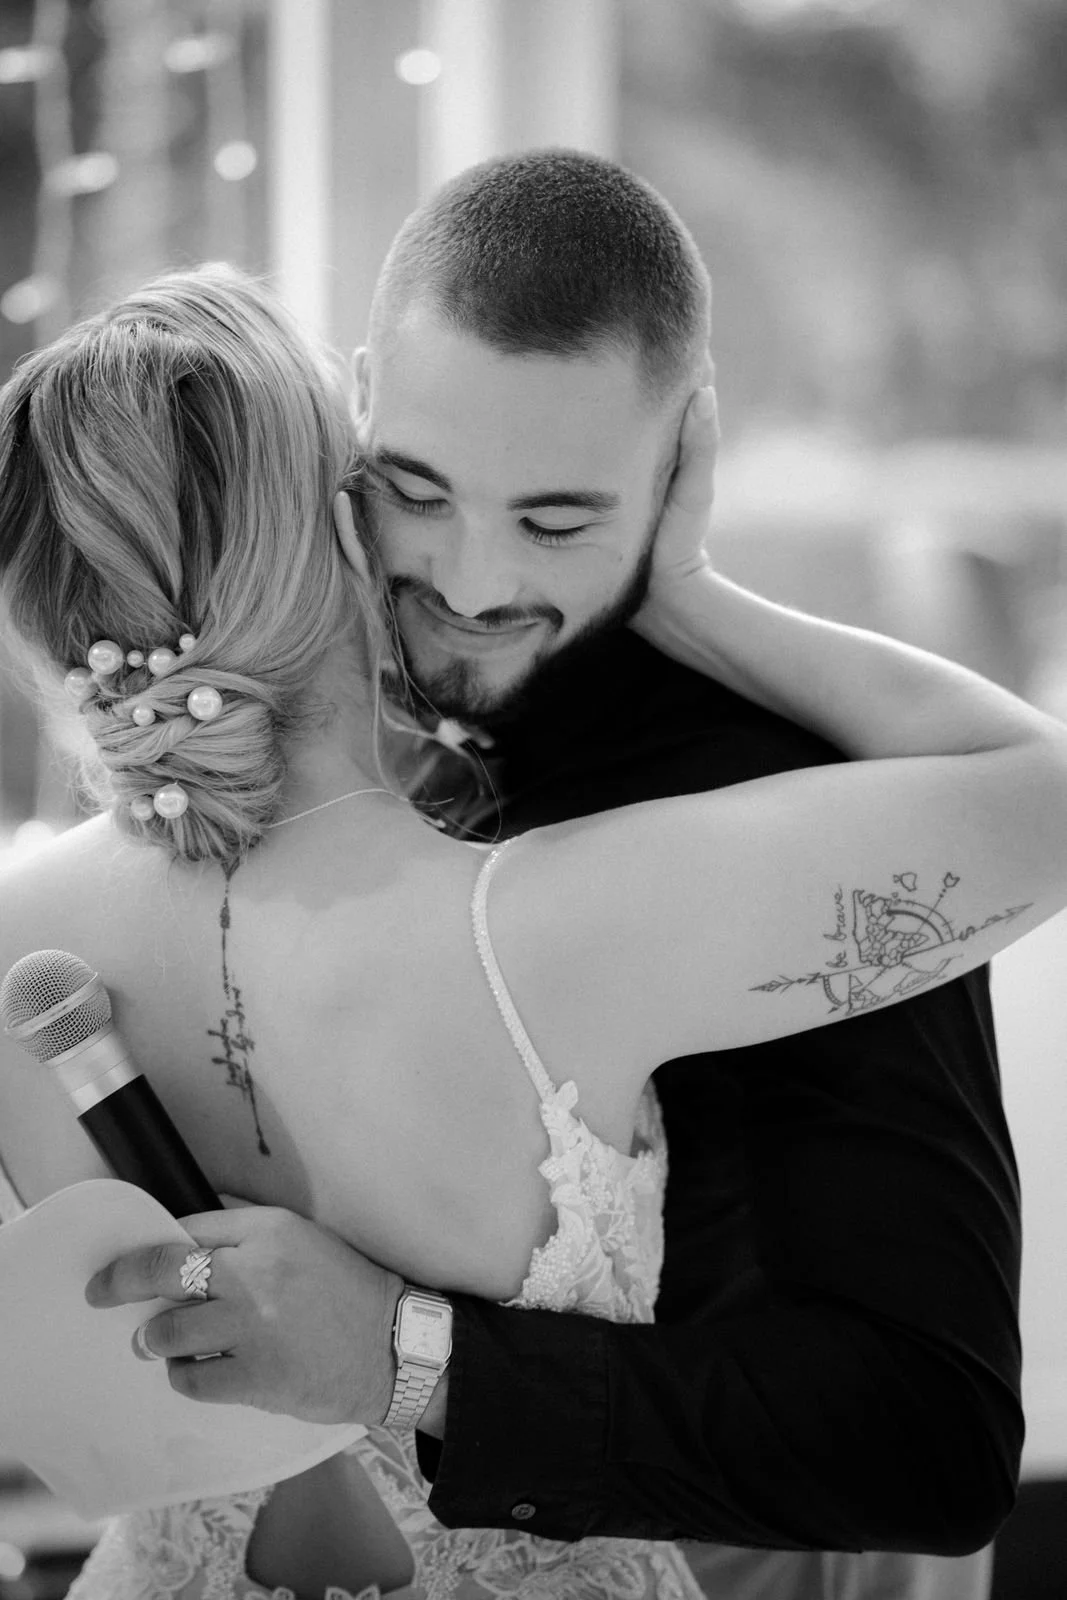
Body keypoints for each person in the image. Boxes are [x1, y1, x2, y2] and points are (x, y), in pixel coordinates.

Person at [0, 258, 1059, 1600]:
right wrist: (675, 582)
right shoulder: (549, 925)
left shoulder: (17, 934)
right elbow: (1042, 796)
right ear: (347, 532)